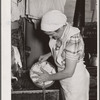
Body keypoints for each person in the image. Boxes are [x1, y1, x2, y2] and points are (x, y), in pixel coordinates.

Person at [33, 10, 90, 100]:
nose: (51, 37)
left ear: (60, 28)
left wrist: (48, 77)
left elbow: (68, 72)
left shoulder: (73, 39)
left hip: (75, 81)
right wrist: (49, 54)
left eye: (51, 34)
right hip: (63, 77)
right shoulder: (62, 32)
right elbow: (62, 49)